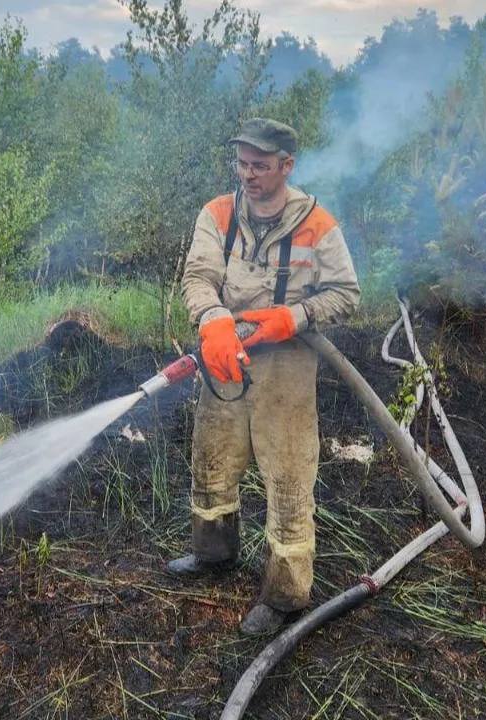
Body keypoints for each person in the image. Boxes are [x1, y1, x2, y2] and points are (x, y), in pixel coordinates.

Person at [170, 117, 361, 635]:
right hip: (224, 362)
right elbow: (198, 276)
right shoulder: (217, 214)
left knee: (289, 481)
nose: (248, 175)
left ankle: (284, 595)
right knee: (212, 462)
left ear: (286, 166)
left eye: (260, 166)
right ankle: (213, 555)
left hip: (288, 372)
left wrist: (293, 317)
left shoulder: (318, 225)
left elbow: (346, 292)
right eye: (242, 164)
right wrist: (213, 325)